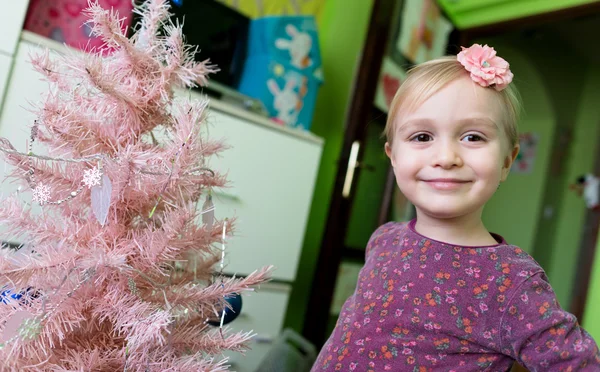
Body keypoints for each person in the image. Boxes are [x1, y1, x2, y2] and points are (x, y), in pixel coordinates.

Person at [311, 44, 600, 371]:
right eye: (422, 137)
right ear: (393, 156)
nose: (446, 157)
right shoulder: (383, 239)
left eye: (473, 137)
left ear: (507, 160)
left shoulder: (511, 282)